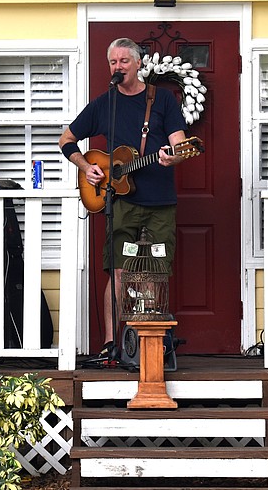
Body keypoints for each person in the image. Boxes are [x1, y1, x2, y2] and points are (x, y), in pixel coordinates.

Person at [58, 37, 188, 356]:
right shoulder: (105, 103)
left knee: (153, 272)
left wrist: (175, 157)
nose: (118, 67)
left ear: (138, 64)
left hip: (159, 203)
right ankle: (109, 344)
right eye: (113, 62)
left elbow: (182, 145)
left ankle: (148, 346)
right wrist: (87, 166)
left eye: (124, 62)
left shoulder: (163, 100)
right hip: (121, 203)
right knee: (118, 270)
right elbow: (67, 139)